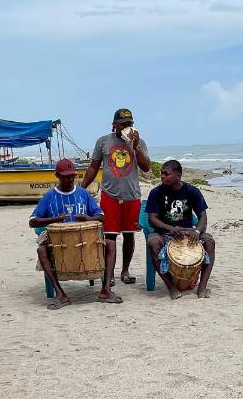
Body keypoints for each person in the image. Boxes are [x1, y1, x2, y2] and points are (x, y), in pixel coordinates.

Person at [81, 108, 150, 297]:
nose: (127, 127)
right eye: (124, 124)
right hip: (110, 196)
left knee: (129, 235)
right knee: (109, 237)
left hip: (132, 196)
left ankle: (125, 271)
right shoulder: (103, 141)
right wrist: (82, 187)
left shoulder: (139, 142)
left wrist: (135, 146)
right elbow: (93, 166)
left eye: (130, 124)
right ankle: (108, 274)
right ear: (114, 125)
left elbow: (146, 168)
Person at [30, 158, 109, 309]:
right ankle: (60, 294)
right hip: (57, 242)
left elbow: (101, 216)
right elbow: (32, 221)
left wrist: (88, 218)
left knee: (110, 243)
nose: (70, 179)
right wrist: (55, 219)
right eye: (66, 176)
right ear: (57, 176)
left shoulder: (83, 194)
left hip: (85, 241)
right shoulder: (49, 196)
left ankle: (106, 290)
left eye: (72, 176)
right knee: (41, 250)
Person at [145, 159, 216, 299]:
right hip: (165, 233)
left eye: (166, 174)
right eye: (161, 174)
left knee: (209, 241)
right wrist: (170, 228)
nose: (162, 176)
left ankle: (202, 287)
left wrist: (196, 231)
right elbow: (152, 219)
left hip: (189, 232)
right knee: (152, 242)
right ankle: (171, 287)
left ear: (178, 175)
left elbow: (203, 216)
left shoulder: (192, 191)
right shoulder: (156, 192)